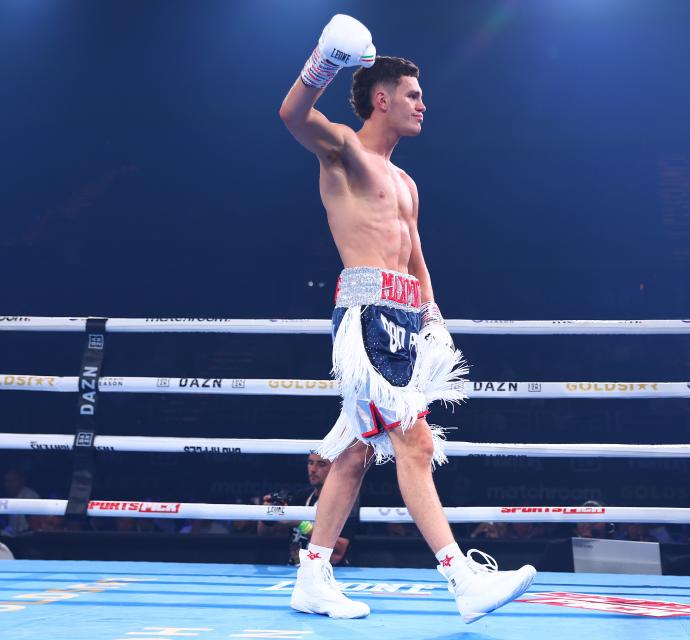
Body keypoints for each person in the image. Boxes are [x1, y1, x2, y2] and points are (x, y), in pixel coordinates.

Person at [278, 14, 536, 623]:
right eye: (414, 96)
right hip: (365, 315)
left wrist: (434, 322)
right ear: (382, 99)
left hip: (401, 318)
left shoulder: (406, 182)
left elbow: (416, 260)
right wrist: (325, 62)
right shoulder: (344, 151)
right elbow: (293, 115)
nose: (424, 105)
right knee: (414, 444)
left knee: (357, 454)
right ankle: (461, 579)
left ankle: (312, 576)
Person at [258, 454, 354, 565]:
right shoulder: (302, 496)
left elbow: (337, 554)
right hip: (295, 570)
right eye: (310, 463)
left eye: (321, 464)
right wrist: (269, 515)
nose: (313, 469)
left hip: (328, 574)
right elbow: (265, 533)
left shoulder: (345, 501)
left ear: (335, 468)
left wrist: (300, 524)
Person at [2, 469, 40, 537]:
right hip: (15, 539)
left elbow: (35, 525)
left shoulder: (31, 496)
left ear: (22, 480)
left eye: (13, 480)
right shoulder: (11, 498)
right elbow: (13, 527)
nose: (9, 484)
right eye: (7, 481)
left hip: (29, 539)